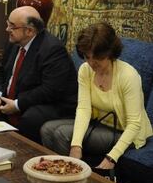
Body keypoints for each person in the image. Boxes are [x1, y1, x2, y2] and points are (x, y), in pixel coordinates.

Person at [41, 23, 153, 169]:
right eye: (87, 56)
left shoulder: (128, 75)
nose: (91, 63)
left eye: (97, 57)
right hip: (100, 124)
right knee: (47, 129)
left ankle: (70, 177)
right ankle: (56, 174)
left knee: (62, 134)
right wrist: (76, 146)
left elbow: (134, 124)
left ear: (110, 52)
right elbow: (83, 109)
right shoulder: (85, 70)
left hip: (127, 133)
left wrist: (111, 158)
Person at [0, 6, 78, 143]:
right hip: (19, 96)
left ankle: (23, 148)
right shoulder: (13, 43)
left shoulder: (52, 49)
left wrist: (17, 104)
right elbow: (0, 71)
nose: (7, 29)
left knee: (30, 118)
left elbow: (50, 90)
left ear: (29, 31)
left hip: (50, 103)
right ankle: (6, 142)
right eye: (8, 24)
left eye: (12, 26)